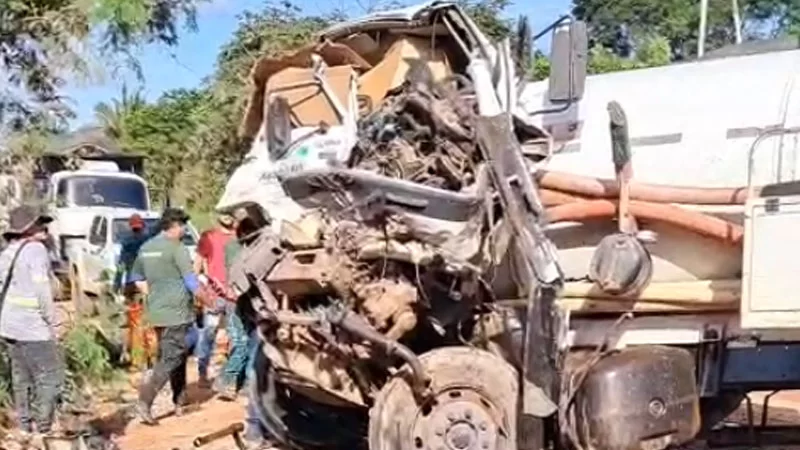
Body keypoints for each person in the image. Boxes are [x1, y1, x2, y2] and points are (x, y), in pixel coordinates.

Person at [129, 207, 210, 425]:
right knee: (171, 358)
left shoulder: (146, 247)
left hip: (157, 312)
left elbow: (136, 277)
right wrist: (206, 299)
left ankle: (180, 401)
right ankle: (144, 402)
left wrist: (154, 295)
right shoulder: (177, 248)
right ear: (174, 226)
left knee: (177, 354)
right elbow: (191, 281)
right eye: (182, 226)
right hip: (177, 313)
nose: (184, 230)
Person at [0, 205, 65, 435]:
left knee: (21, 378)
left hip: (9, 326)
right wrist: (54, 322)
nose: (44, 229)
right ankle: (44, 428)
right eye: (40, 224)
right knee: (50, 376)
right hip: (33, 327)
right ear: (29, 228)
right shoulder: (36, 250)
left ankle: (25, 427)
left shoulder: (7, 252)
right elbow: (42, 292)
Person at [214, 209, 258, 400]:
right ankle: (226, 381)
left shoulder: (237, 247)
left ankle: (243, 382)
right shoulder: (237, 248)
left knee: (248, 343)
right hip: (237, 303)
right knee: (242, 344)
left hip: (242, 303)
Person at [193, 214, 236, 387]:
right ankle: (202, 374)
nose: (227, 217)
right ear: (218, 216)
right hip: (214, 295)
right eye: (224, 213)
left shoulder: (241, 236)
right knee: (208, 333)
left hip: (235, 296)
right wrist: (200, 290)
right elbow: (197, 265)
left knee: (235, 335)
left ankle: (231, 377)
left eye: (230, 213)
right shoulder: (209, 237)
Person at [114, 214, 157, 370]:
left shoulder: (127, 243)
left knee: (135, 324)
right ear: (143, 226)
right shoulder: (150, 242)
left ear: (130, 226)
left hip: (132, 287)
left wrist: (116, 284)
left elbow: (121, 267)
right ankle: (153, 358)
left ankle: (139, 361)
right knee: (151, 324)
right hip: (151, 286)